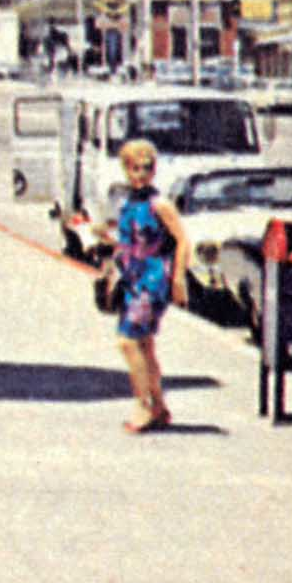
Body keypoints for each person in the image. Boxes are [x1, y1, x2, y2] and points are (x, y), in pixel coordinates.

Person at [107, 137, 188, 432]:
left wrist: (178, 278)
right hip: (133, 278)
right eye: (135, 168)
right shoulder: (130, 202)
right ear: (126, 170)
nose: (141, 174)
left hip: (152, 280)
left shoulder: (159, 204)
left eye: (147, 167)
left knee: (128, 341)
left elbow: (182, 240)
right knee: (144, 344)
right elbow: (128, 240)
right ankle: (159, 405)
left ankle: (143, 405)